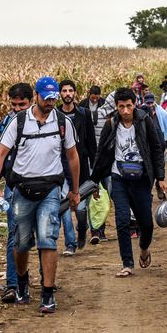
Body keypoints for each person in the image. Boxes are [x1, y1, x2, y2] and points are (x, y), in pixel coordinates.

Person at [0, 76, 81, 313]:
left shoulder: (62, 122)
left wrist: (75, 190)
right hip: (22, 191)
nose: (51, 102)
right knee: (20, 243)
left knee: (48, 239)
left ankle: (48, 294)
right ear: (36, 97)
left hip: (50, 190)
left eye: (54, 98)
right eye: (47, 97)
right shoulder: (19, 122)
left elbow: (72, 156)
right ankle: (22, 281)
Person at [90, 87, 167, 277]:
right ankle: (127, 263)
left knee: (146, 223)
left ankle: (143, 248)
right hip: (119, 178)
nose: (125, 111)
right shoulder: (111, 124)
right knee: (122, 220)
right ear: (116, 106)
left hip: (141, 178)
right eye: (121, 106)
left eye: (129, 106)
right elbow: (101, 154)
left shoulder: (144, 121)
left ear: (134, 105)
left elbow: (157, 149)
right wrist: (95, 182)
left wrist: (161, 178)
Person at [0, 83, 33, 303]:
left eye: (22, 104)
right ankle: (13, 284)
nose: (17, 108)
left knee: (38, 233)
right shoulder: (6, 122)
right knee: (14, 234)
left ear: (31, 101)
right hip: (13, 185)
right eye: (14, 104)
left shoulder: (43, 121)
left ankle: (46, 279)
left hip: (40, 185)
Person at [58, 79, 98, 250]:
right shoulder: (54, 115)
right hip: (58, 166)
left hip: (80, 166)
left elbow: (91, 143)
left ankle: (82, 229)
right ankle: (70, 244)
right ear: (60, 94)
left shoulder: (84, 114)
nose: (67, 94)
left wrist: (95, 173)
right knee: (64, 207)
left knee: (81, 209)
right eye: (64, 91)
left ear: (75, 93)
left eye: (70, 91)